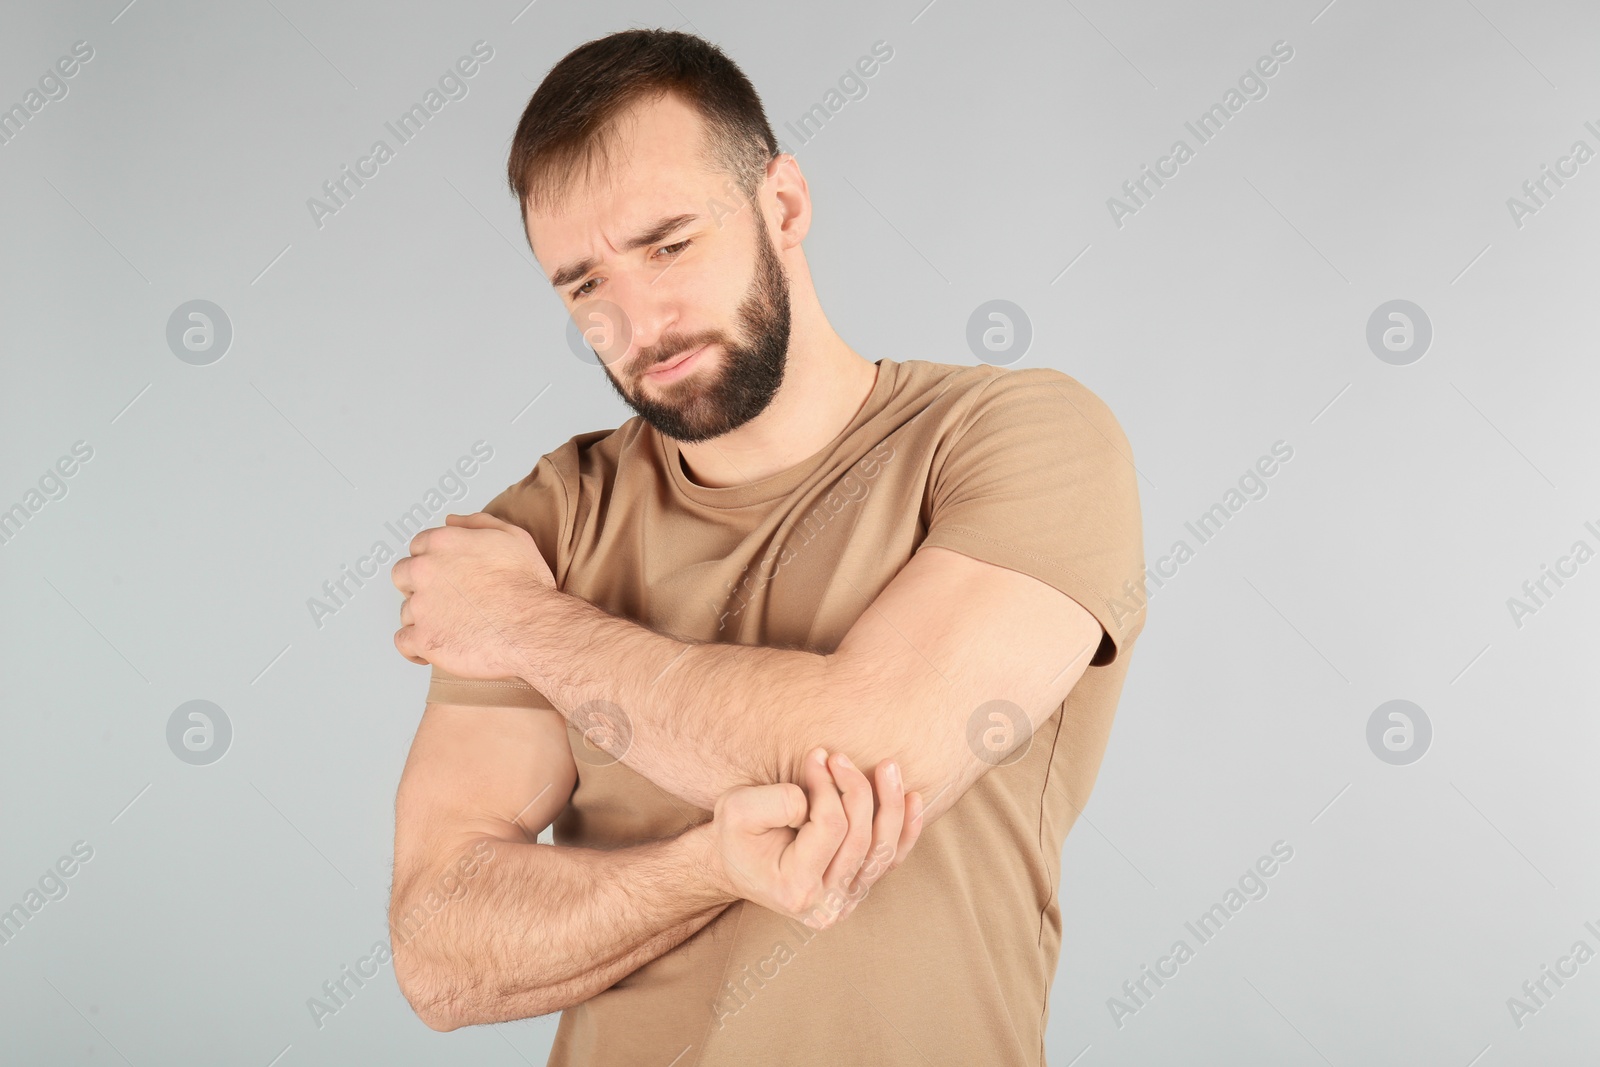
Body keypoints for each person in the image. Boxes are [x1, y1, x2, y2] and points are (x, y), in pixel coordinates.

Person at [387, 27, 1145, 1067]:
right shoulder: (547, 522)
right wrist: (702, 867)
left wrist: (526, 624)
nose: (637, 318)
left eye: (668, 244)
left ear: (781, 205)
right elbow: (439, 950)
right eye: (583, 286)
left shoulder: (1014, 438)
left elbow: (870, 751)